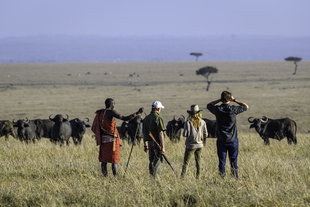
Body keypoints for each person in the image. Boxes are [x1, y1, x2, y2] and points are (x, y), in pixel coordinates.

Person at [91, 98, 143, 176]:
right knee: (114, 160)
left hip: (104, 139)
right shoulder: (111, 112)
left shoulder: (100, 113)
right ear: (111, 104)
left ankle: (104, 177)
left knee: (104, 160)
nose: (114, 105)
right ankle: (115, 178)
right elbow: (125, 118)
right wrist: (137, 112)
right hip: (113, 140)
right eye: (114, 104)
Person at [207, 91, 248, 179]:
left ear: (222, 99)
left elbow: (209, 105)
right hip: (233, 140)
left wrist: (219, 100)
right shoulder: (233, 109)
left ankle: (222, 178)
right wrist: (235, 100)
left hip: (221, 140)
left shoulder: (218, 109)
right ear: (230, 99)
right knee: (233, 161)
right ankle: (235, 178)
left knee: (222, 161)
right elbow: (245, 106)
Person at [181, 104, 208, 179]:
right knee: (199, 162)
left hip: (190, 145)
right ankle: (198, 177)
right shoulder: (203, 122)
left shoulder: (188, 122)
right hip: (200, 145)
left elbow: (184, 134)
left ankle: (182, 177)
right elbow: (206, 134)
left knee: (186, 163)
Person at [143, 101, 166, 178]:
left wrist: (145, 145)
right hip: (157, 144)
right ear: (158, 109)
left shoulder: (146, 118)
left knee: (151, 161)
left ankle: (151, 176)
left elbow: (144, 134)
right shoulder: (158, 118)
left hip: (149, 143)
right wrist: (163, 147)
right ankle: (156, 178)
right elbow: (160, 133)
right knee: (157, 161)